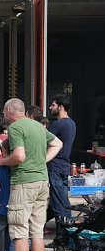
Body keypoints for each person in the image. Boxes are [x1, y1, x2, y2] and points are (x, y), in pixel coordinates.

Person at [0, 98, 63, 251]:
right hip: (42, 182)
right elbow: (58, 143)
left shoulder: (16, 128)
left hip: (24, 183)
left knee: (19, 230)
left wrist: (1, 162)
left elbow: (19, 156)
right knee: (37, 231)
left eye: (4, 111)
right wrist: (43, 161)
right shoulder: (38, 126)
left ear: (9, 111)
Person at [46, 93, 76, 228]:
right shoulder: (71, 123)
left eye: (53, 105)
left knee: (59, 203)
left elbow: (45, 143)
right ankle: (62, 236)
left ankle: (65, 238)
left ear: (61, 107)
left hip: (55, 166)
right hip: (64, 166)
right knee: (60, 200)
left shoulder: (58, 124)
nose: (50, 107)